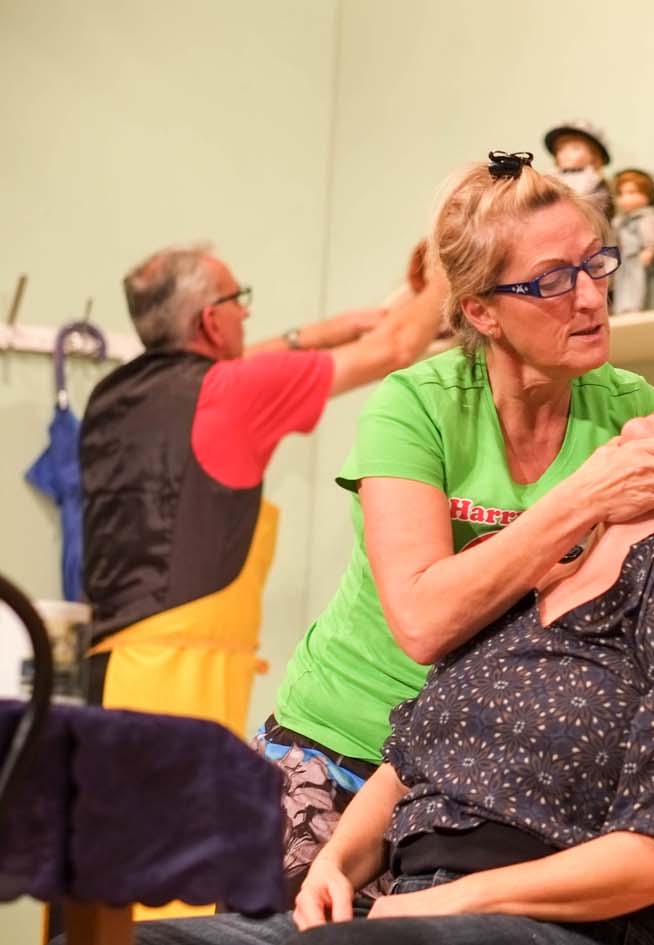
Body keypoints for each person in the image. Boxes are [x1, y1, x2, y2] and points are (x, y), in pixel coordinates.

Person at [100, 392, 654, 945]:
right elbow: (405, 764)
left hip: (556, 924)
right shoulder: (518, 591)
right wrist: (334, 865)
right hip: (411, 904)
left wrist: (458, 899)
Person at [261, 152, 654, 897]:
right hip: (340, 750)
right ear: (481, 311)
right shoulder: (417, 405)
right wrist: (584, 496)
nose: (591, 298)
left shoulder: (631, 412)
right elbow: (422, 623)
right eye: (551, 281)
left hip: (485, 785)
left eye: (596, 264)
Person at [80, 243, 447, 735]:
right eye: (238, 299)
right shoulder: (232, 392)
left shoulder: (116, 393)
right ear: (210, 322)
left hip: (115, 665)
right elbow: (396, 349)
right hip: (178, 682)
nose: (247, 311)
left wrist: (323, 333)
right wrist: (454, 268)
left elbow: (234, 364)